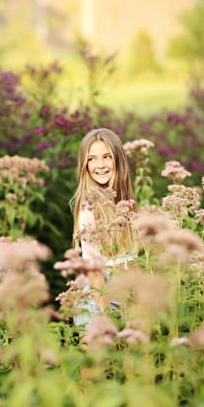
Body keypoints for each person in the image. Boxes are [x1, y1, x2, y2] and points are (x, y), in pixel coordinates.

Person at [70, 128, 136, 326]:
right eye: (92, 159)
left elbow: (129, 259)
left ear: (118, 159)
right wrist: (110, 318)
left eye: (106, 157)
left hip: (120, 303)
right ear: (84, 165)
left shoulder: (122, 201)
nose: (100, 165)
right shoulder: (89, 206)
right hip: (97, 305)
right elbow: (94, 271)